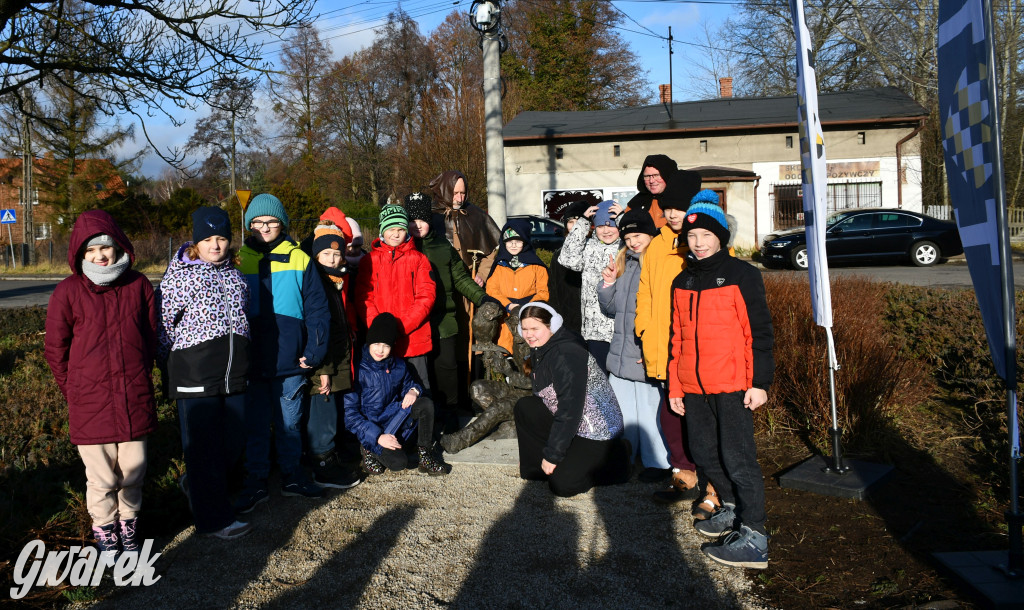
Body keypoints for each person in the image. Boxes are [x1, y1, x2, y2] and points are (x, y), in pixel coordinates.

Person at [668, 189, 775, 569]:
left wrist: (760, 382)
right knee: (703, 453)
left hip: (733, 384)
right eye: (692, 236)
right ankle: (729, 509)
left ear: (721, 237)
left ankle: (755, 536)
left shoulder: (742, 275)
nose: (698, 243)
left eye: (706, 235)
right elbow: (676, 337)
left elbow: (759, 332)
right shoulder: (682, 281)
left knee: (738, 459)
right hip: (693, 387)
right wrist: (676, 385)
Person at [44, 210, 159, 562]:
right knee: (102, 479)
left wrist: (140, 376)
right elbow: (55, 349)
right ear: (80, 253)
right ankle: (106, 533)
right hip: (89, 403)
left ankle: (129, 529)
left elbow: (151, 337)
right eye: (91, 250)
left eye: (105, 247)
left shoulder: (138, 285)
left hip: (133, 398)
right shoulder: (67, 291)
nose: (100, 256)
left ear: (119, 246)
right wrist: (74, 390)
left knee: (134, 471)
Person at [159, 206, 254, 540]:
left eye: (222, 238)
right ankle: (213, 520)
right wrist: (168, 367)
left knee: (235, 440)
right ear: (196, 241)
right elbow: (163, 325)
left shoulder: (237, 276)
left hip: (234, 374)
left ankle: (198, 486)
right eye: (208, 239)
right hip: (194, 375)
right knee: (203, 449)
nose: (215, 245)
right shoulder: (180, 277)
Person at [236, 193, 331, 513]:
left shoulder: (300, 259)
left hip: (290, 360)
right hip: (252, 362)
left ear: (283, 224)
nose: (264, 227)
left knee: (290, 424)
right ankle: (256, 480)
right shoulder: (239, 260)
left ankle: (292, 476)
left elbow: (317, 309)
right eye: (257, 222)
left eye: (271, 221)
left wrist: (314, 350)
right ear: (249, 225)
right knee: (256, 426)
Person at [634, 169, 709, 508]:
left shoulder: (701, 242)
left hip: (697, 346)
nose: (672, 214)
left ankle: (712, 482)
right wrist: (644, 329)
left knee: (700, 413)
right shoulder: (658, 243)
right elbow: (645, 291)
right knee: (670, 409)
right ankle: (683, 472)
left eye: (679, 207)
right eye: (667, 207)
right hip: (661, 342)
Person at [513, 302, 631, 497]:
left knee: (563, 485)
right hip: (573, 422)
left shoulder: (566, 354)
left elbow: (570, 409)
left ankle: (617, 457)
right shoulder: (541, 349)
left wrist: (553, 454)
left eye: (535, 329)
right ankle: (538, 468)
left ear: (552, 326)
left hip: (597, 431)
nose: (529, 334)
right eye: (524, 329)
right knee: (526, 407)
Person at [405, 192, 496, 422]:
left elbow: (461, 278)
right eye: (412, 220)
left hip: (443, 320)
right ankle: (423, 418)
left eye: (422, 220)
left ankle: (450, 415)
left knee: (446, 368)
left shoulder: (442, 247)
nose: (417, 225)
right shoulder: (403, 249)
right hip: (414, 324)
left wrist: (482, 298)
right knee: (419, 373)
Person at [597, 209, 672, 482]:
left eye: (638, 235)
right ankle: (623, 461)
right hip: (621, 353)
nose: (633, 242)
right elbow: (611, 309)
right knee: (622, 414)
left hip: (644, 352)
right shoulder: (625, 263)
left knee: (651, 411)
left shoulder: (658, 264)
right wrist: (607, 283)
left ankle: (659, 464)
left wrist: (653, 348)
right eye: (628, 238)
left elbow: (664, 313)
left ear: (651, 235)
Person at [343, 313, 451, 475]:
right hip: (372, 430)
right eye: (376, 344)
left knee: (425, 403)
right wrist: (378, 437)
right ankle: (368, 449)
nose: (380, 350)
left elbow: (411, 384)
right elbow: (350, 416)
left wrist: (413, 391)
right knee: (399, 463)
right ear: (369, 342)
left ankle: (425, 455)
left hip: (395, 422)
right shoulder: (357, 370)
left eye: (386, 345)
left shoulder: (398, 366)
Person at [304, 222, 363, 489]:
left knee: (334, 410)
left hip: (338, 356)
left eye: (337, 254)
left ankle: (332, 454)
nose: (332, 259)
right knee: (322, 412)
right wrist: (323, 369)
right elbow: (317, 329)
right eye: (326, 254)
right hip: (324, 362)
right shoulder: (317, 282)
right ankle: (322, 464)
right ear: (316, 256)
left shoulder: (337, 279)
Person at [354, 203, 436, 392]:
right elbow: (363, 296)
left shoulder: (419, 259)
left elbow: (426, 297)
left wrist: (401, 327)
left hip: (413, 339)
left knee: (419, 389)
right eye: (391, 229)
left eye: (400, 229)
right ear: (382, 230)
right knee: (385, 392)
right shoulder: (369, 261)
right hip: (381, 342)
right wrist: (380, 328)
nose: (396, 234)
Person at [556, 199, 620, 371]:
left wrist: (623, 218)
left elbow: (642, 240)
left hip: (622, 329)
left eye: (611, 225)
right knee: (599, 378)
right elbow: (567, 259)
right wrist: (583, 222)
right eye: (600, 226)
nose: (606, 230)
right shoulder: (588, 247)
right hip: (595, 329)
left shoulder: (626, 246)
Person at [485, 219, 549, 354]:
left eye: (518, 241)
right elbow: (491, 289)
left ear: (525, 242)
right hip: (505, 313)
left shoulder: (536, 266)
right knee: (505, 349)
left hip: (530, 314)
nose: (513, 245)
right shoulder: (499, 265)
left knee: (526, 352)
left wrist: (527, 308)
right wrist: (508, 305)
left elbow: (544, 291)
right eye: (509, 241)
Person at [428, 170, 501, 283]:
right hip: (439, 282)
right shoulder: (429, 216)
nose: (460, 199)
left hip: (471, 281)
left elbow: (490, 252)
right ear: (445, 190)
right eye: (455, 193)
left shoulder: (476, 214)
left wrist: (482, 274)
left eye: (462, 193)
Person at [547, 200, 589, 335]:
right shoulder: (559, 254)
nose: (575, 225)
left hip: (591, 318)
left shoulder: (594, 250)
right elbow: (553, 288)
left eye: (579, 221)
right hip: (567, 317)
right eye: (571, 222)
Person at [626, 154, 678, 228]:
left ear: (668, 175)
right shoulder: (635, 204)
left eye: (656, 175)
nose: (651, 181)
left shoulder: (683, 200)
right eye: (647, 176)